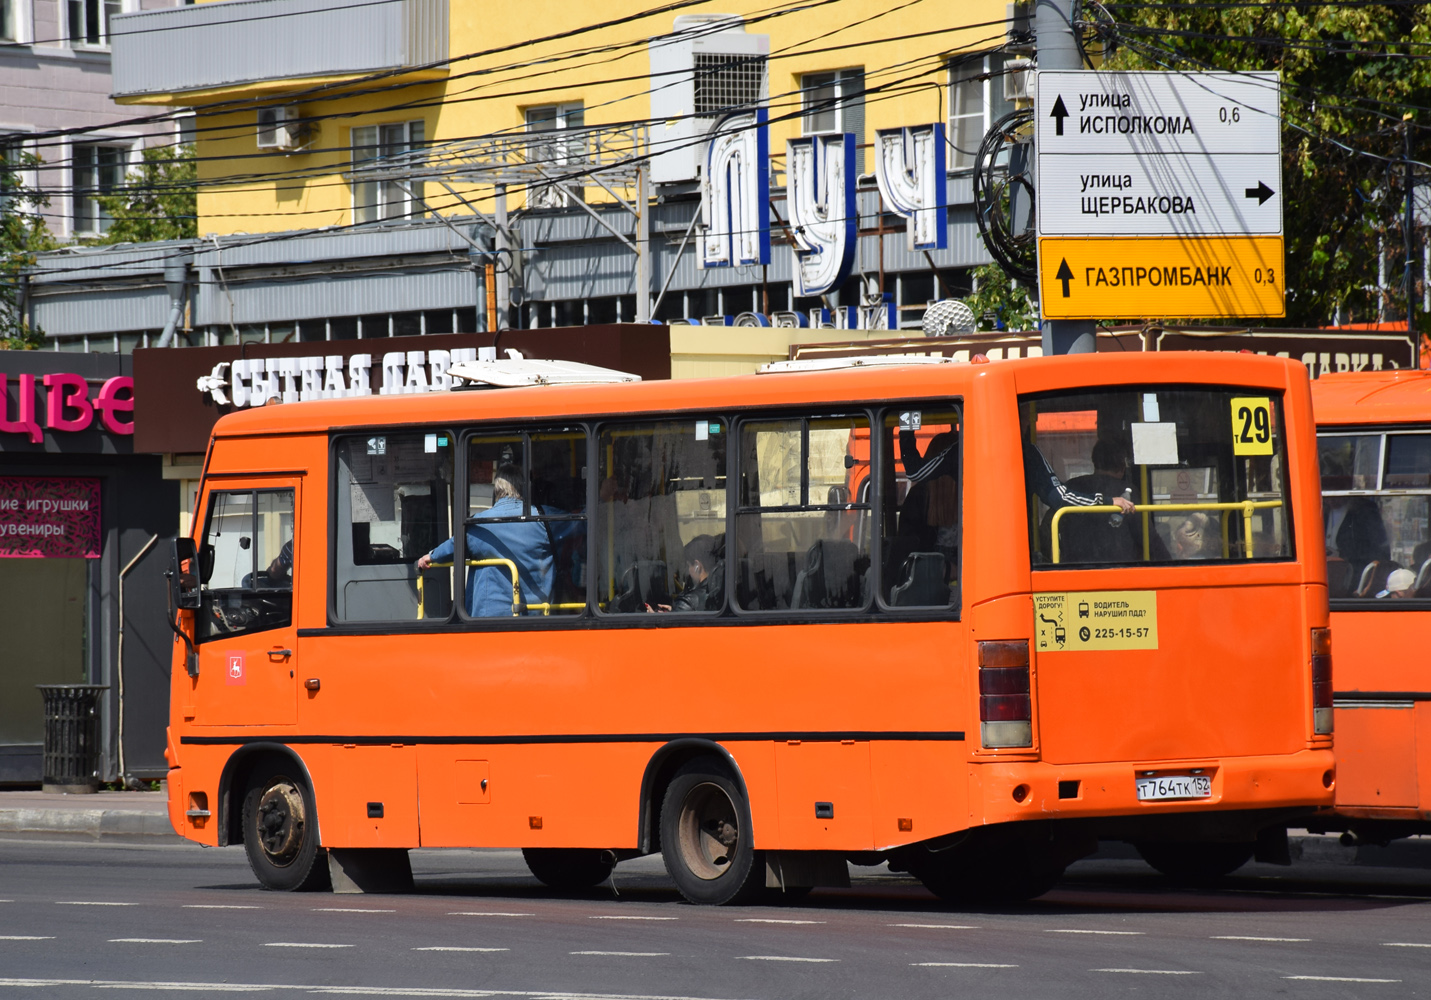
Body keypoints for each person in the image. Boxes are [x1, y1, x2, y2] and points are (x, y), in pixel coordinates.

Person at [417, 465, 570, 617]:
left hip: (489, 617)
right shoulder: (545, 518)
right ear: (526, 489)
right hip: (537, 613)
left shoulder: (479, 524)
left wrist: (431, 556)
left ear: (496, 490)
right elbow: (582, 523)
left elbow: (454, 547)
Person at [1054, 439, 1163, 563]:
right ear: (1123, 466)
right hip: (1119, 569)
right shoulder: (1128, 492)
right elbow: (1147, 537)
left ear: (1094, 461)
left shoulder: (1070, 488)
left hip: (1073, 568)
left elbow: (1049, 529)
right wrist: (1169, 560)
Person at [659, 534, 724, 612]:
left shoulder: (687, 602)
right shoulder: (722, 592)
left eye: (689, 565)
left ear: (697, 566)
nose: (689, 571)